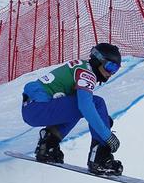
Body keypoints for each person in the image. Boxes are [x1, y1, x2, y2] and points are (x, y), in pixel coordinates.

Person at [21, 42, 124, 175]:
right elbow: (86, 107)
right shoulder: (87, 73)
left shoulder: (81, 67)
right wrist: (107, 135)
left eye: (116, 69)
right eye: (110, 66)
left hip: (33, 108)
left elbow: (79, 107)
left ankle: (48, 145)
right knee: (97, 103)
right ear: (99, 61)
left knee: (82, 105)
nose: (111, 73)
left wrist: (101, 120)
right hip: (39, 107)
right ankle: (99, 158)